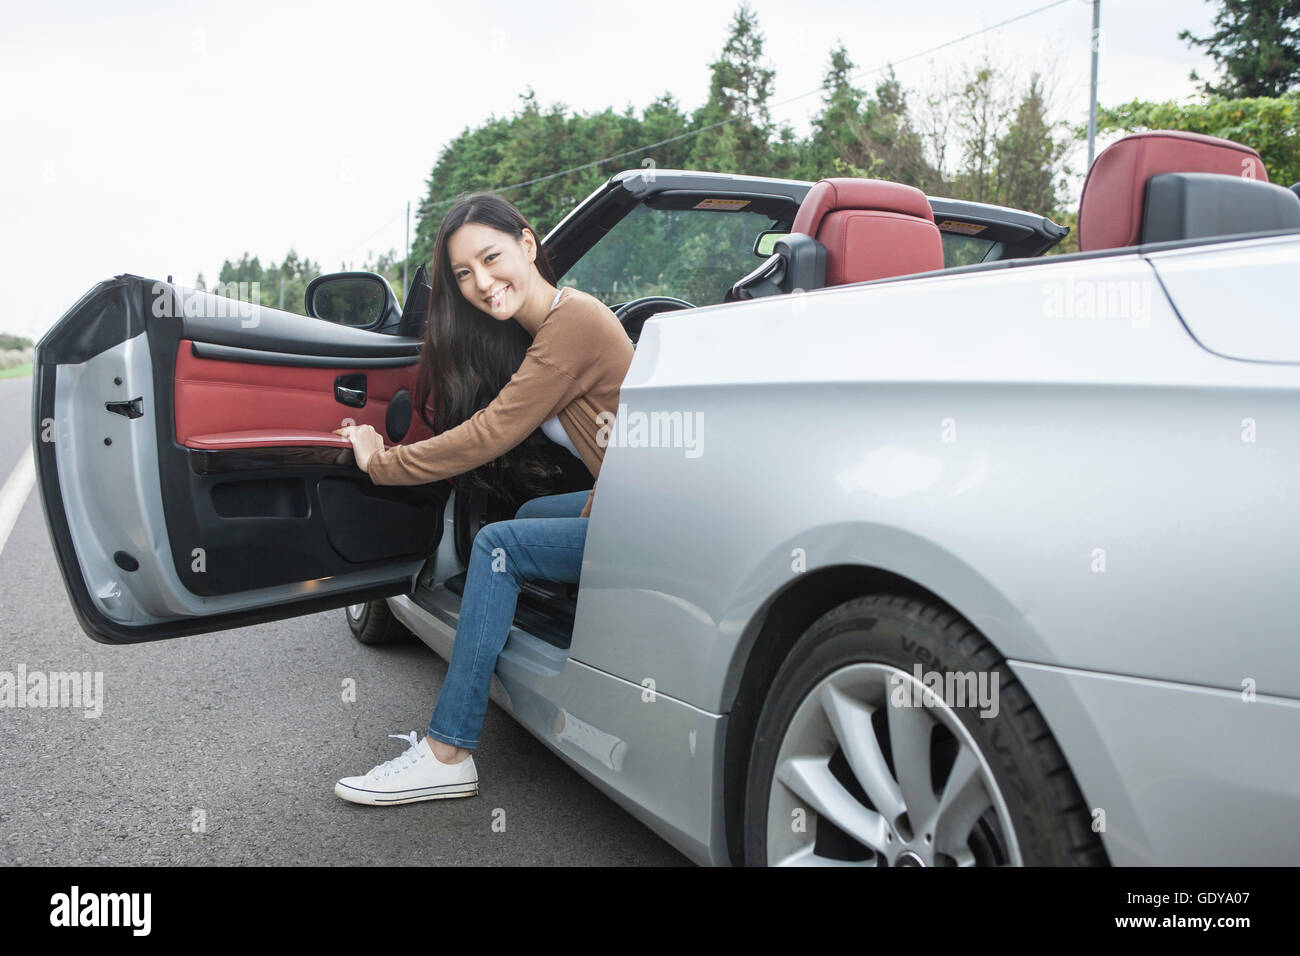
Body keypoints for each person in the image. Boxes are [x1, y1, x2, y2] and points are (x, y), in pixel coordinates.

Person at [330, 193, 634, 805]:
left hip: (645, 521)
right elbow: (620, 434)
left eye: (491, 258)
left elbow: (490, 433)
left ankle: (449, 752)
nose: (481, 283)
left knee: (496, 546)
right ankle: (525, 632)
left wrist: (380, 462)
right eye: (464, 274)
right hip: (627, 500)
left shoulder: (571, 322)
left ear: (528, 243)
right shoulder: (548, 325)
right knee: (524, 517)